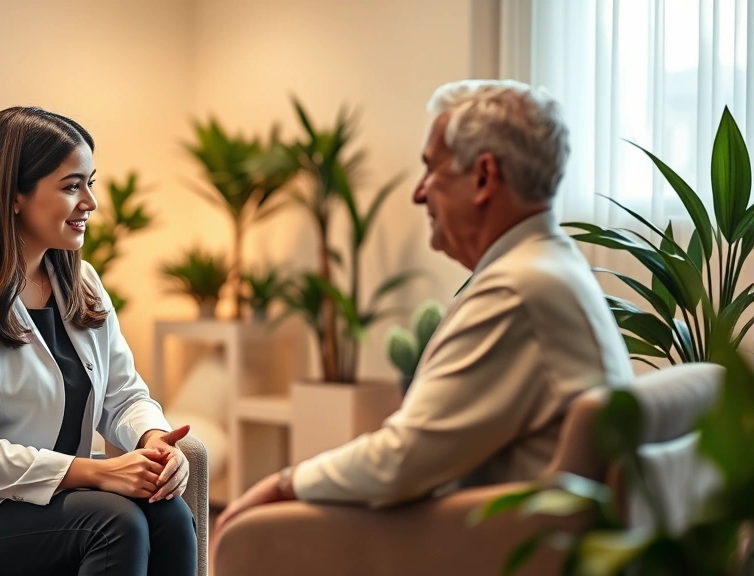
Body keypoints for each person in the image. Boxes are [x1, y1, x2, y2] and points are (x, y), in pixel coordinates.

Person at [213, 80, 634, 547]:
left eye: (431, 170)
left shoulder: (516, 289)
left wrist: (283, 484)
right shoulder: (552, 266)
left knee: (253, 537)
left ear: (484, 177)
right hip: (506, 531)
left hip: (490, 547)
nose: (419, 193)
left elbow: (400, 462)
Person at [0, 107, 197, 576]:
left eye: (91, 182)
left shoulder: (82, 282)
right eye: (73, 186)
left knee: (168, 513)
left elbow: (123, 395)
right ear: (14, 196)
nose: (90, 202)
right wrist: (103, 472)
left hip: (52, 499)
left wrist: (155, 442)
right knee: (115, 523)